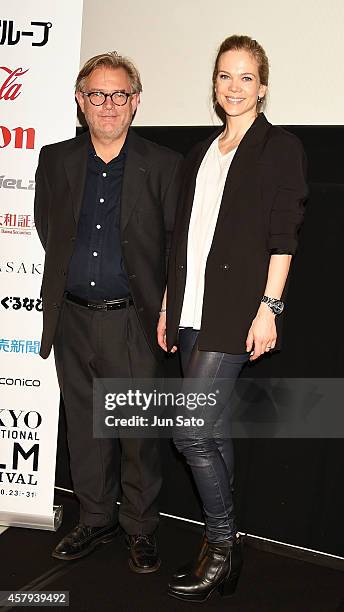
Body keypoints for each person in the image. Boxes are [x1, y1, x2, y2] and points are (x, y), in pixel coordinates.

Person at [157, 35, 308, 601]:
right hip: (192, 308)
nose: (234, 87)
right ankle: (225, 546)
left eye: (246, 77)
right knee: (211, 430)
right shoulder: (199, 154)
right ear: (214, 84)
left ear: (262, 87)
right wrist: (172, 303)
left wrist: (270, 308)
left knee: (190, 430)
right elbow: (183, 239)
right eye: (225, 75)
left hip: (237, 312)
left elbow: (282, 237)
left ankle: (223, 545)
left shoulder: (280, 148)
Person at [34, 51, 182, 572]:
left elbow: (174, 247)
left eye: (120, 95)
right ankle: (95, 518)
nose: (108, 105)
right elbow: (47, 226)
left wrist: (165, 306)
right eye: (97, 95)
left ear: (135, 102)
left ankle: (140, 527)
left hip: (131, 322)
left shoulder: (163, 165)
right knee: (85, 427)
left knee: (137, 432)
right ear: (81, 101)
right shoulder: (55, 160)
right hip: (72, 318)